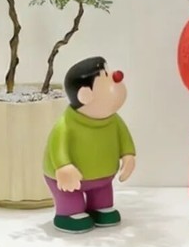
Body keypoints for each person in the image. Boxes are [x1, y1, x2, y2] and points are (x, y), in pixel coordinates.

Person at [43, 56, 136, 233]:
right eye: (106, 75)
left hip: (103, 179)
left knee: (103, 201)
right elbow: (57, 148)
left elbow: (125, 140)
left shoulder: (114, 120)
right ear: (85, 95)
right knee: (72, 202)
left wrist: (128, 156)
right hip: (69, 181)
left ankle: (99, 208)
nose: (117, 77)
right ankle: (67, 213)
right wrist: (64, 167)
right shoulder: (65, 125)